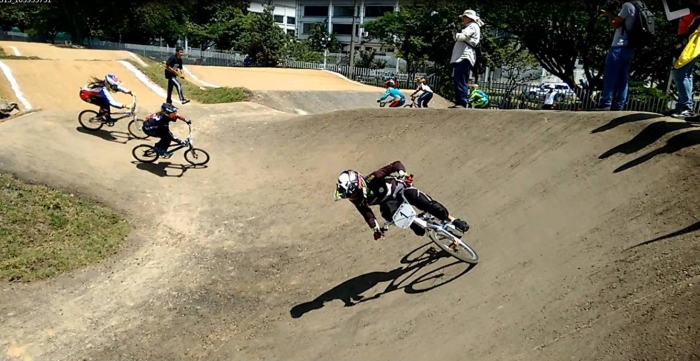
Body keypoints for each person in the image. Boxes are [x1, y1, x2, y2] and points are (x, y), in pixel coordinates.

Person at [334, 161, 470, 241]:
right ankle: (414, 223)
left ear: (359, 185)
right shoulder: (357, 199)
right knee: (388, 214)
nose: (353, 198)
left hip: (400, 190)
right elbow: (366, 213)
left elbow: (395, 165)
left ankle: (452, 220)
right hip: (389, 202)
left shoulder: (373, 178)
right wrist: (375, 228)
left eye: (352, 194)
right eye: (350, 197)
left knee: (423, 202)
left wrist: (402, 174)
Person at [593, 1, 638, 111]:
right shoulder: (639, 7)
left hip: (619, 46)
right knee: (623, 78)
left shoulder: (627, 6)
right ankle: (619, 105)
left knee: (610, 75)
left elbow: (615, 24)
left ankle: (606, 102)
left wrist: (608, 15)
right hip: (630, 47)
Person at [669, 0, 700, 118]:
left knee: (679, 72)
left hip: (692, 39)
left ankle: (686, 106)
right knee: (686, 73)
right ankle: (682, 106)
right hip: (687, 38)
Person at [449, 9, 483, 108]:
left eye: (464, 17)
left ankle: (462, 102)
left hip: (464, 56)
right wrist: (454, 31)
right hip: (461, 56)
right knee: (458, 79)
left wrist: (457, 32)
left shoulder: (473, 26)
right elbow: (457, 37)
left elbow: (462, 37)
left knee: (461, 79)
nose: (462, 19)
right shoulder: (469, 26)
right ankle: (459, 101)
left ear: (469, 18)